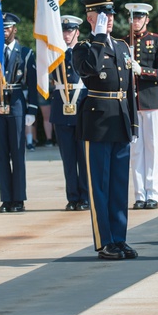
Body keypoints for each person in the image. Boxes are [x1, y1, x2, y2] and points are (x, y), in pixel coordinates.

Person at [74, 0, 139, 260]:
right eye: (103, 14)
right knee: (99, 185)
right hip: (98, 122)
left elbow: (130, 88)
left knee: (119, 185)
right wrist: (99, 37)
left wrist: (132, 123)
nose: (109, 18)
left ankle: (119, 238)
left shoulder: (123, 46)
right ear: (91, 18)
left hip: (120, 120)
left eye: (111, 14)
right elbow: (88, 69)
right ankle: (105, 241)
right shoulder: (83, 48)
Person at [0, 12, 37, 212]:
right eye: (1, 28)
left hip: (15, 103)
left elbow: (32, 84)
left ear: (14, 29)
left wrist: (32, 108)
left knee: (17, 152)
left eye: (7, 28)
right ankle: (6, 198)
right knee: (1, 154)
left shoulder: (25, 53)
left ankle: (19, 199)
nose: (4, 31)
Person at [125, 2, 158, 209]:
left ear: (146, 19)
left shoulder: (157, 41)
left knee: (151, 148)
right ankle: (139, 194)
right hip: (132, 103)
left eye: (139, 17)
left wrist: (141, 70)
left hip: (151, 101)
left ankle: (152, 194)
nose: (136, 21)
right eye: (133, 17)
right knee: (135, 150)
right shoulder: (123, 43)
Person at [50, 15, 89, 211]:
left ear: (77, 32)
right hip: (61, 107)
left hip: (81, 105)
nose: (66, 34)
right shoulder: (54, 54)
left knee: (83, 156)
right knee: (68, 157)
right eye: (64, 31)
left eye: (70, 30)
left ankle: (85, 196)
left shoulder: (85, 51)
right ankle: (72, 196)